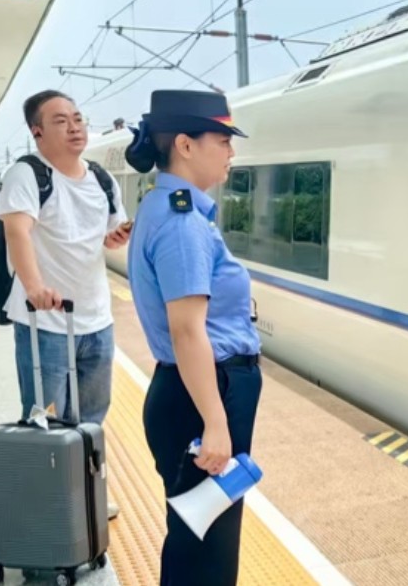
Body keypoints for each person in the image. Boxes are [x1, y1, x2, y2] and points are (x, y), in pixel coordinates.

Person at [126, 89, 261, 586]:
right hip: (203, 395)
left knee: (198, 537)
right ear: (185, 144)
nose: (231, 151)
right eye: (222, 139)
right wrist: (216, 423)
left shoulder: (167, 207)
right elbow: (187, 331)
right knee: (206, 549)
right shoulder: (183, 222)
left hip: (194, 392)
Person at [0, 90, 130, 521]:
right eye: (60, 121)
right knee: (42, 417)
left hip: (96, 318)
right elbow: (17, 232)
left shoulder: (101, 180)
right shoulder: (27, 174)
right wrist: (34, 286)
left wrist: (116, 238)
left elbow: (107, 232)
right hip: (44, 322)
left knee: (91, 415)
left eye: (77, 118)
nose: (75, 126)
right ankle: (42, 501)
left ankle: (87, 493)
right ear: (37, 132)